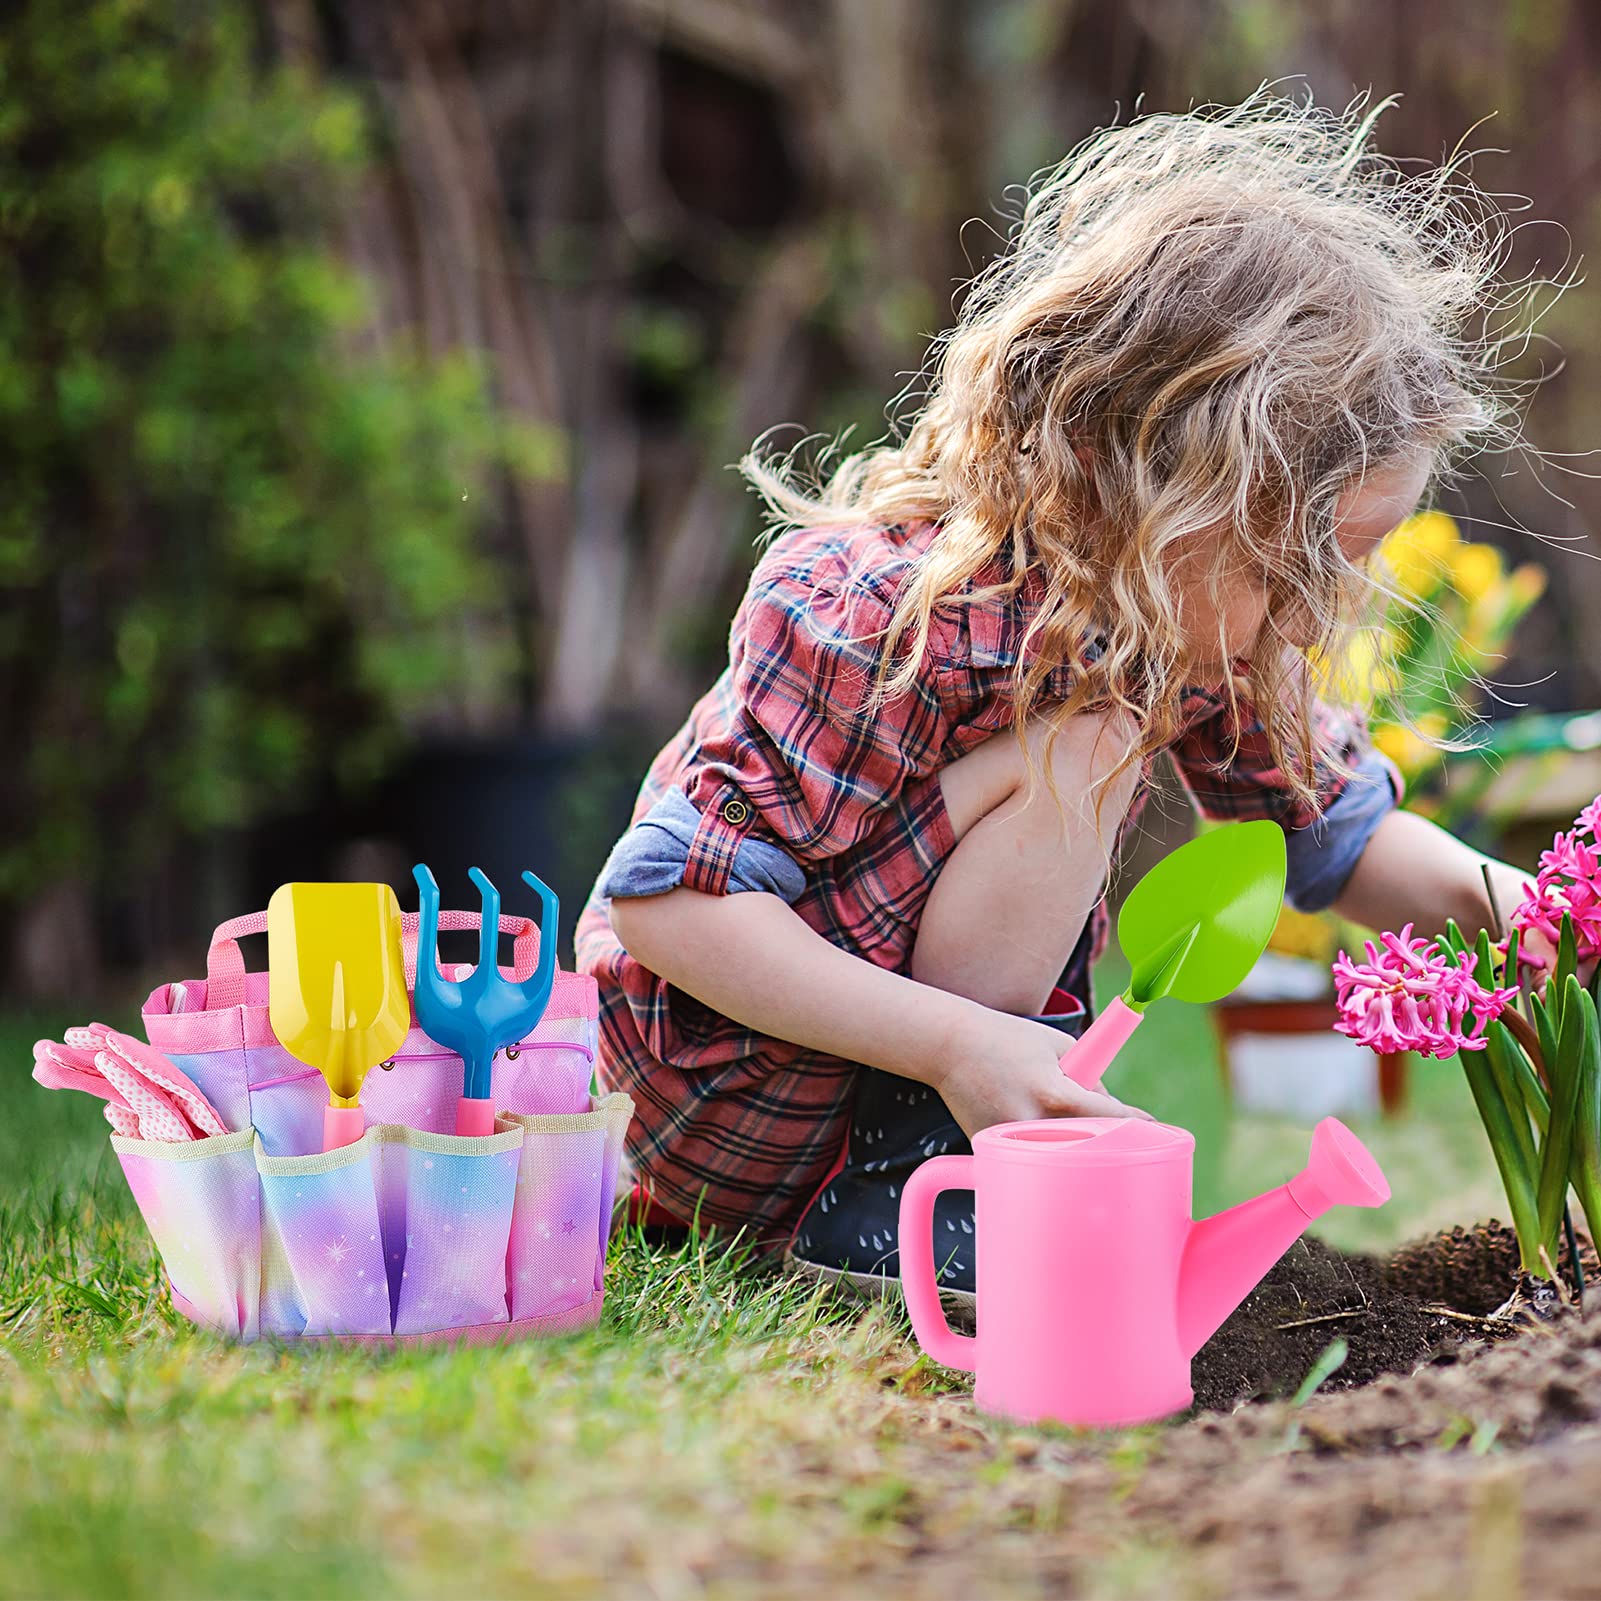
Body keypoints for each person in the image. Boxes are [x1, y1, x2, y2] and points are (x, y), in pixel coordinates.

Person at [574, 90, 1542, 1304]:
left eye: (1351, 557)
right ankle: (905, 1177)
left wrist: (1521, 905)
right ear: (1123, 475)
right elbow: (669, 904)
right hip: (729, 1084)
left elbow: (1333, 832)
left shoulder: (1179, 622)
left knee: (1106, 711)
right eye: (1293, 559)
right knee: (1091, 730)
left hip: (924, 1067)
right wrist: (957, 1043)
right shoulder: (872, 605)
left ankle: (927, 1171)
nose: (1326, 603)